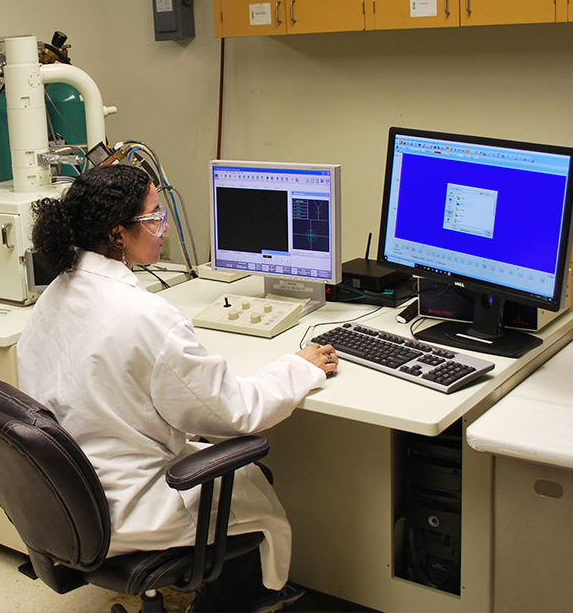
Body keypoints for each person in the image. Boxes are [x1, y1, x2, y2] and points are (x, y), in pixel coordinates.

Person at [17, 164, 340, 613]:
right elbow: (235, 415)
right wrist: (299, 368)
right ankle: (235, 603)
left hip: (72, 499)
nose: (163, 229)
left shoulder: (58, 292)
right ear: (117, 234)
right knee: (253, 476)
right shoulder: (144, 315)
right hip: (131, 505)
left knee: (216, 458)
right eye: (153, 219)